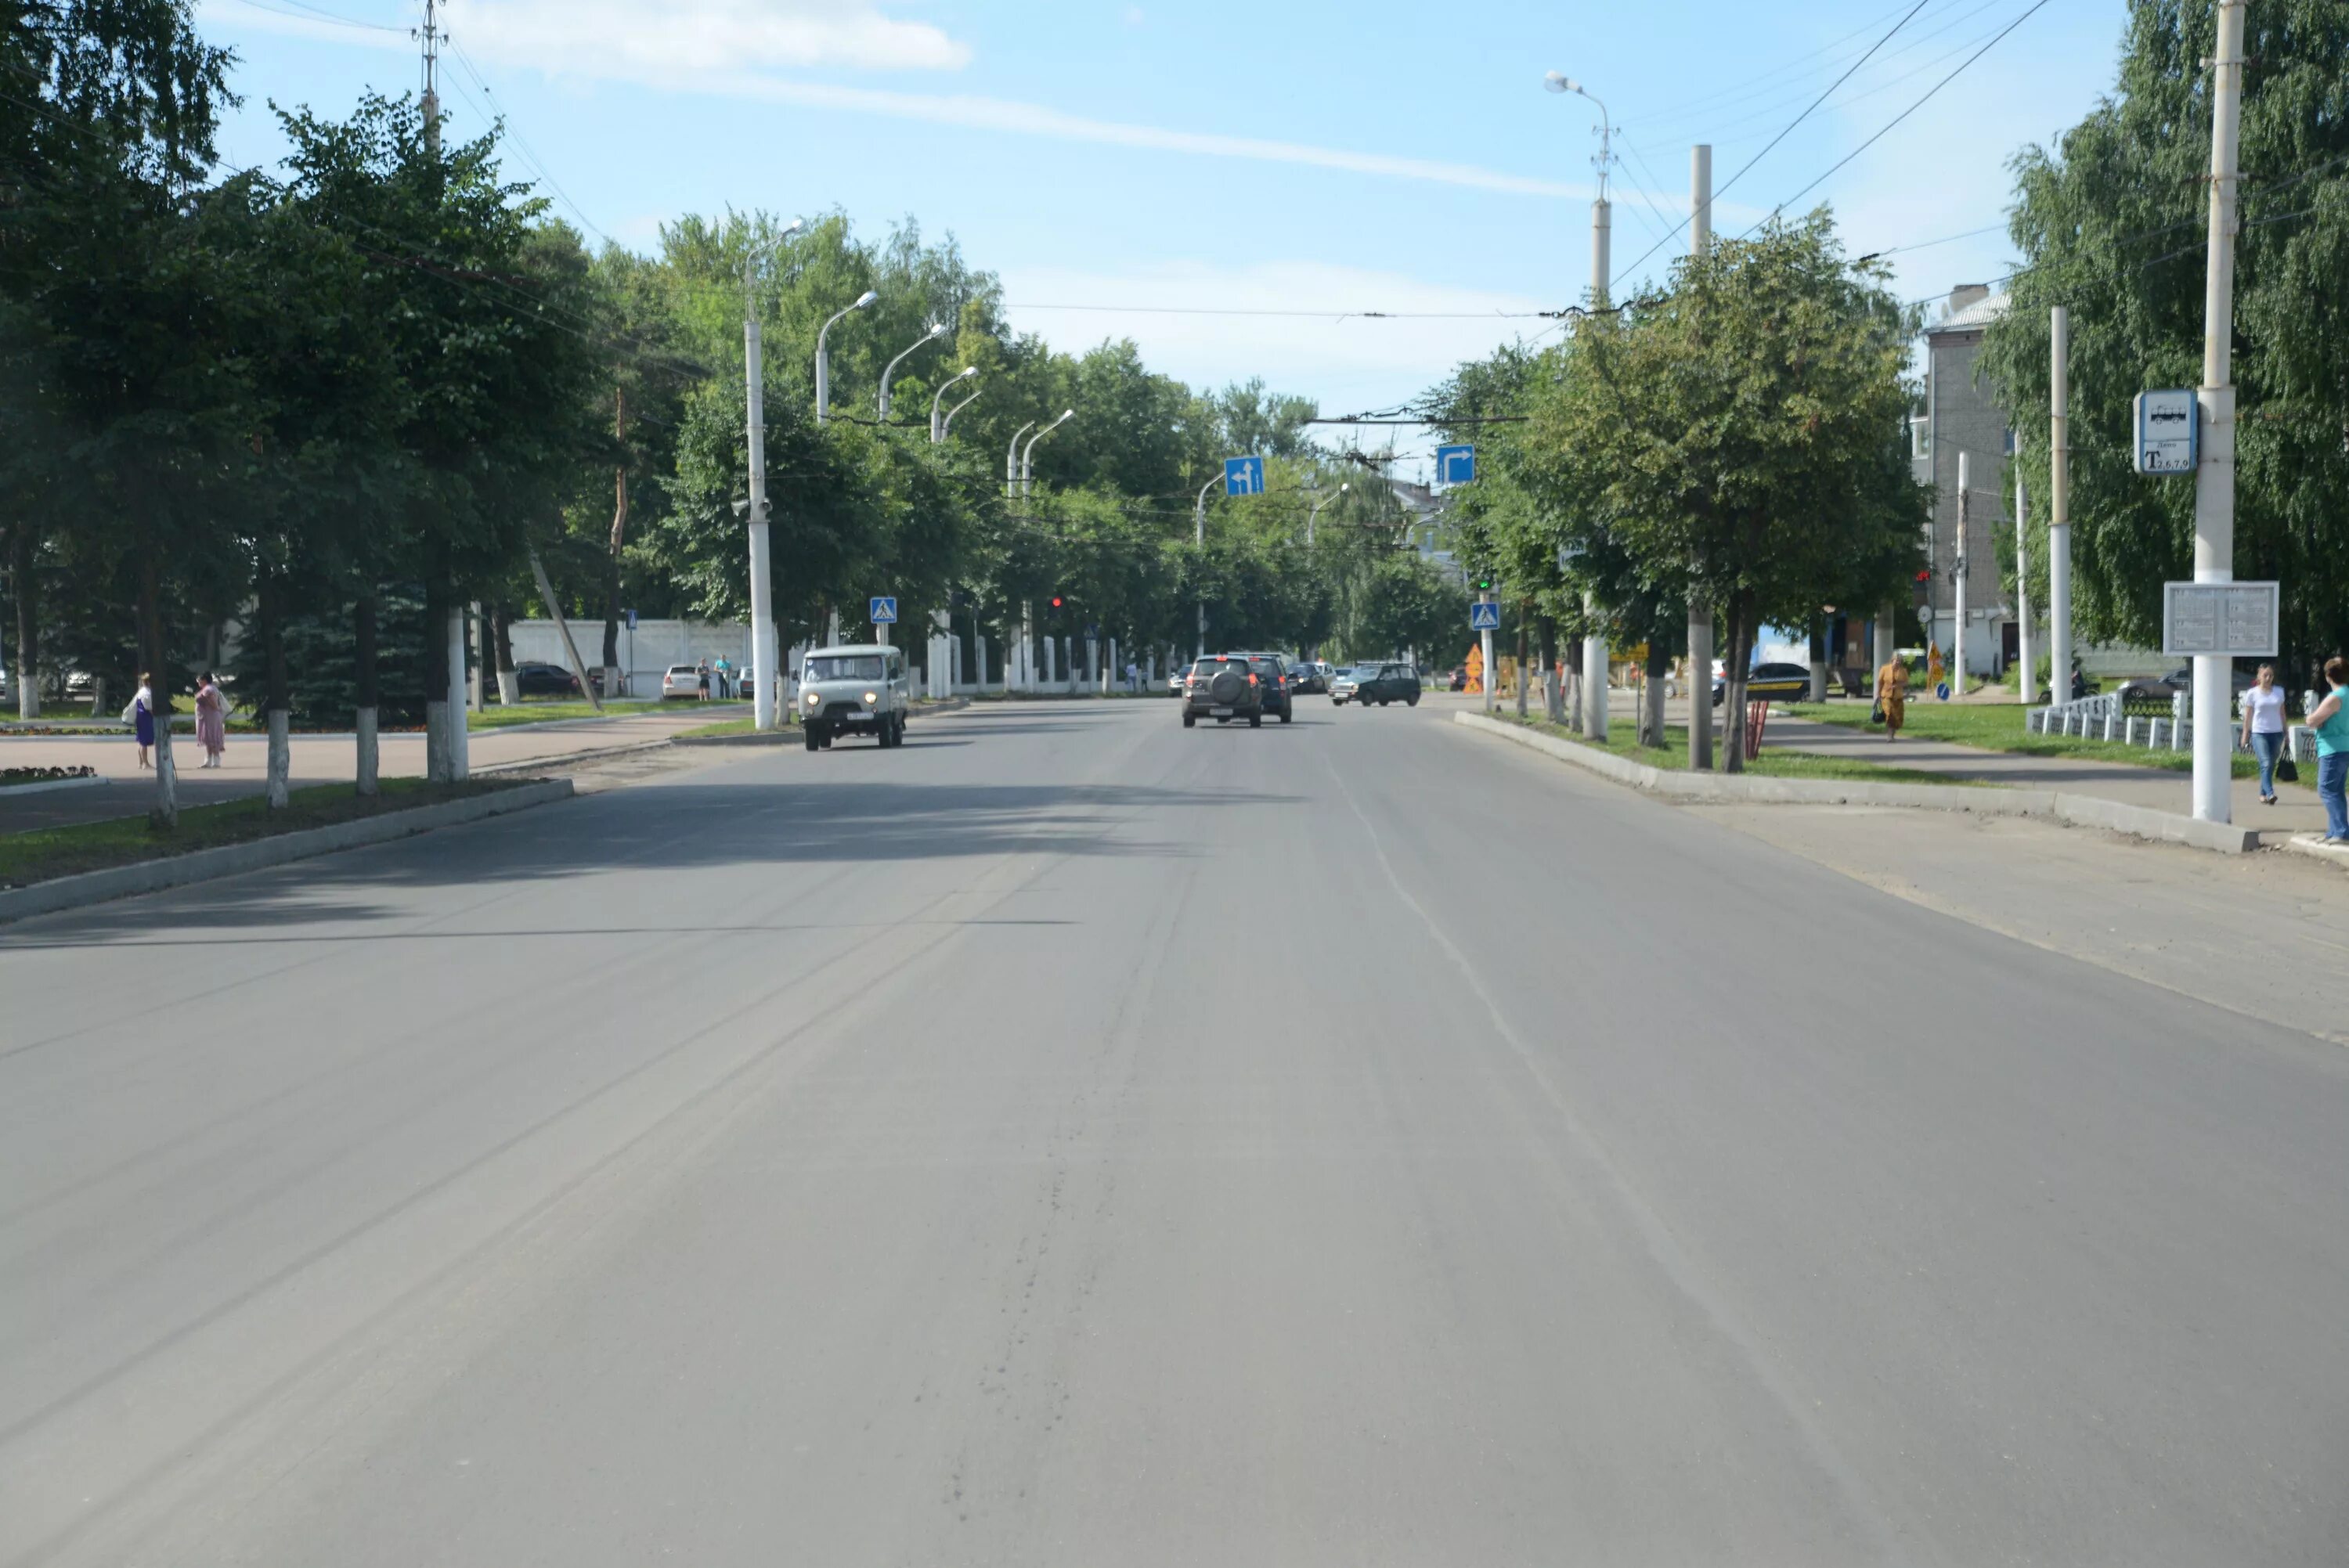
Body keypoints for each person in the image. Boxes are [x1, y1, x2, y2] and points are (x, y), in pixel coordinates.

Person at [2310, 655, 2349, 844]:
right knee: (2337, 790)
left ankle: (2340, 831)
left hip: (2332, 748)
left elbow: (2313, 720)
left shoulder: (2335, 697)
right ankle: (2336, 831)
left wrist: (2311, 719)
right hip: (2345, 746)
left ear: (2328, 676)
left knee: (2326, 789)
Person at [2239, 663, 2288, 805]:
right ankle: (2271, 793)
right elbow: (2248, 716)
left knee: (2270, 765)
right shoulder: (2252, 693)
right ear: (2259, 677)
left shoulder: (2279, 692)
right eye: (2265, 675)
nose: (2268, 678)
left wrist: (2286, 732)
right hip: (2259, 733)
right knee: (2266, 763)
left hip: (2277, 733)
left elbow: (2282, 713)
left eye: (2270, 675)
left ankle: (2262, 793)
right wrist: (2245, 734)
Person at [194, 671, 229, 768]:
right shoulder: (211, 688)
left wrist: (216, 707)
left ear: (204, 680)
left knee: (212, 738)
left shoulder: (208, 689)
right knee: (210, 739)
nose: (198, 682)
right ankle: (210, 760)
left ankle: (215, 761)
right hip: (209, 717)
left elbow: (212, 701)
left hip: (210, 717)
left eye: (199, 680)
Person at [121, 672, 155, 770]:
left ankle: (141, 762)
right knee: (143, 741)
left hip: (141, 717)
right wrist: (155, 716)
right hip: (145, 718)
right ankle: (145, 763)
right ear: (148, 682)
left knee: (141, 741)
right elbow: (148, 707)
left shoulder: (142, 691)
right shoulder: (147, 693)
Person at [1875, 652, 1909, 742]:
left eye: (1899, 661)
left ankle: (1892, 735)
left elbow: (1906, 682)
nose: (1898, 663)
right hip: (1886, 696)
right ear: (1892, 660)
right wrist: (1878, 693)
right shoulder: (1884, 669)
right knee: (1889, 715)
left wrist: (1897, 686)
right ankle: (1889, 736)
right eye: (1896, 660)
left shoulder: (1903, 671)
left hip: (1898, 697)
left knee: (1897, 718)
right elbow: (1880, 681)